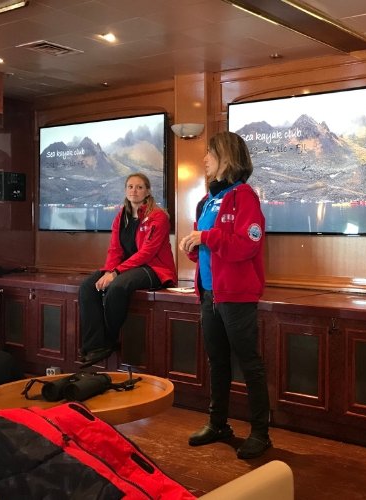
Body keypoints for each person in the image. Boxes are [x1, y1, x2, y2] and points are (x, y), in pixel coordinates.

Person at [179, 131, 271, 459]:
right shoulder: (207, 199)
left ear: (227, 157)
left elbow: (247, 245)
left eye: (210, 153)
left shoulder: (244, 196)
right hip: (209, 294)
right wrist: (193, 245)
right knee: (217, 362)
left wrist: (206, 237)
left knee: (249, 364)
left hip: (236, 296)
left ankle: (261, 433)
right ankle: (218, 424)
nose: (204, 159)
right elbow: (208, 249)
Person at [78, 173, 177, 366]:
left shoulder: (158, 217)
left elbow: (147, 253)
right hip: (126, 268)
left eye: (139, 187)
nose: (134, 191)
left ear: (147, 191)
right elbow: (115, 249)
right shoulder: (121, 216)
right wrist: (109, 271)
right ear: (125, 190)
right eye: (130, 186)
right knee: (87, 287)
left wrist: (116, 273)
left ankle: (109, 340)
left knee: (117, 287)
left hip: (154, 268)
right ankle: (94, 346)